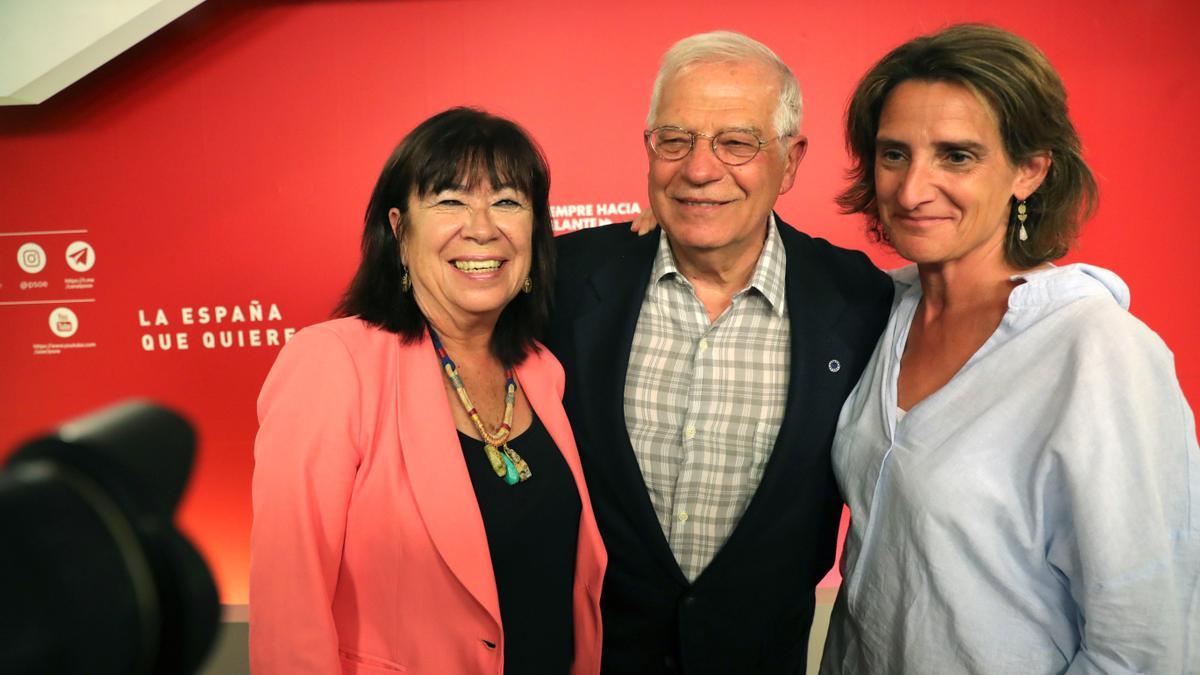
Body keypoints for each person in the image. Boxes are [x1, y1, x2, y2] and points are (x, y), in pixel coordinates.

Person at [821, 24, 1199, 674]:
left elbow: (1146, 645)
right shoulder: (881, 311)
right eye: (893, 154)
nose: (912, 190)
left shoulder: (1097, 351)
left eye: (957, 156)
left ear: (1029, 170)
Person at [546, 32, 893, 674]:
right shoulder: (561, 277)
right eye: (674, 140)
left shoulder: (863, 300)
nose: (699, 169)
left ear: (790, 162)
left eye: (736, 142)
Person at [250, 107, 606, 674]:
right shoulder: (333, 364)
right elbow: (288, 605)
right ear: (398, 229)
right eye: (450, 200)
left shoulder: (541, 372)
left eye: (509, 201)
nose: (483, 227)